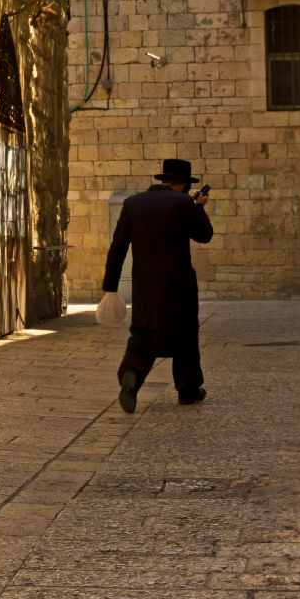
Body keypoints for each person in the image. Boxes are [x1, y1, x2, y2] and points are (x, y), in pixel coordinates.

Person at [102, 158, 213, 413]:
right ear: (184, 185)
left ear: (163, 180)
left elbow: (117, 248)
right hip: (179, 286)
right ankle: (187, 390)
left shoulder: (132, 204)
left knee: (143, 334)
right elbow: (204, 235)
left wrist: (111, 286)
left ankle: (131, 376)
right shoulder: (185, 203)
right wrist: (199, 208)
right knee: (184, 334)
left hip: (145, 286)